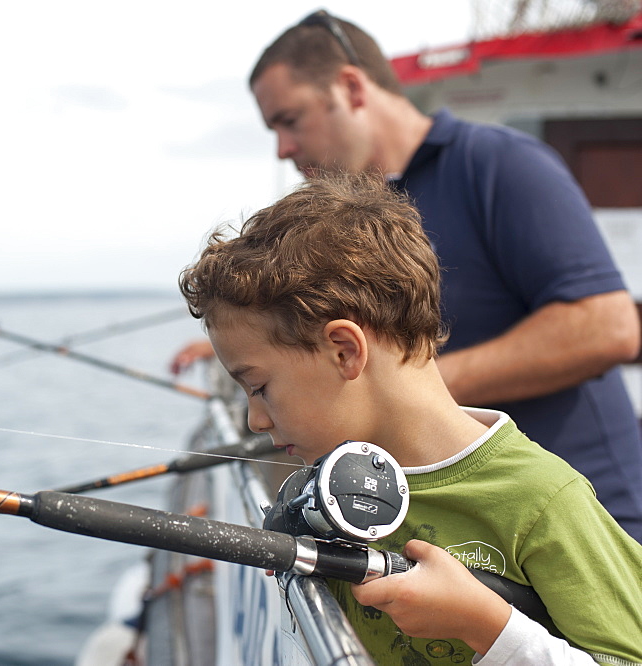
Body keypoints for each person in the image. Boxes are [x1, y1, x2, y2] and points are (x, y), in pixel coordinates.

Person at [172, 9, 642, 541]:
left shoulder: (501, 165)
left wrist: (400, 388)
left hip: (586, 524)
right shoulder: (347, 216)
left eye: (290, 120)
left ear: (350, 87)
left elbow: (608, 326)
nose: (282, 147)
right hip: (457, 530)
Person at [178, 171, 642, 665]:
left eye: (259, 387)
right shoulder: (327, 493)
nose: (254, 421)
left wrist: (487, 626)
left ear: (343, 351)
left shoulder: (542, 500)